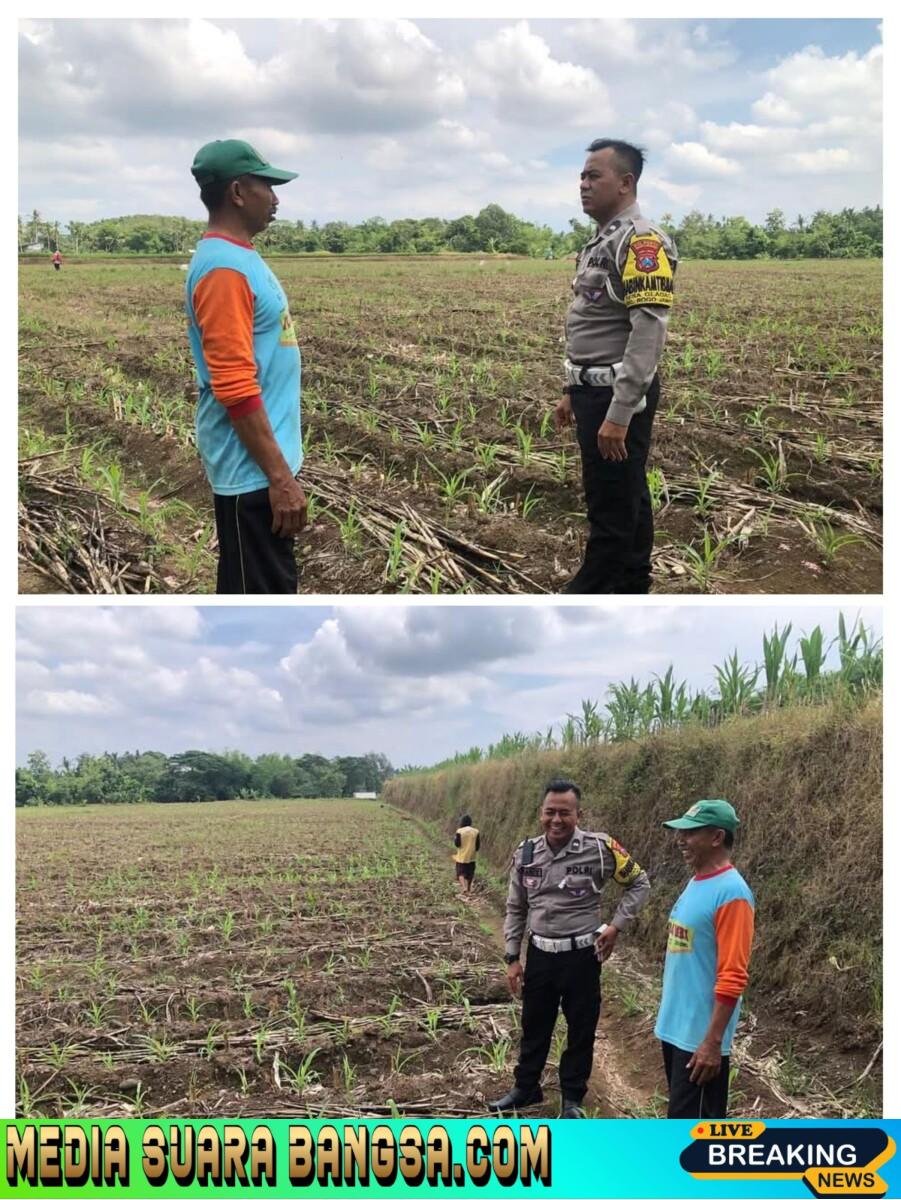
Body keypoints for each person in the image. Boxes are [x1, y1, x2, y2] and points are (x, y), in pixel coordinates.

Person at [555, 138, 678, 594]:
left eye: (594, 176)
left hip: (616, 394)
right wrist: (572, 388)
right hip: (593, 390)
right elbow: (593, 323)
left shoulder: (642, 241)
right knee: (627, 494)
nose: (583, 185)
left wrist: (619, 414)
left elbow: (648, 332)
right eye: (582, 177)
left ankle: (592, 591)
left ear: (626, 183)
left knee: (609, 505)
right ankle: (632, 583)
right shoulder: (601, 240)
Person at [186, 138, 307, 594]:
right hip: (251, 474)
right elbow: (235, 386)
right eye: (267, 186)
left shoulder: (237, 259)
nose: (276, 198)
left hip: (259, 469)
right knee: (258, 589)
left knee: (264, 583)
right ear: (238, 192)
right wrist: (279, 477)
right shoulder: (223, 271)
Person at [489, 779, 650, 1118]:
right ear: (540, 814)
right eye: (550, 812)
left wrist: (615, 926)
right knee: (534, 1026)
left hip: (582, 957)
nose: (557, 820)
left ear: (579, 814)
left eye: (565, 813)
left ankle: (572, 1098)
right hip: (541, 956)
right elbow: (516, 908)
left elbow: (639, 882)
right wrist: (511, 957)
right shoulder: (526, 853)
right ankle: (526, 1088)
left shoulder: (601, 849)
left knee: (581, 1029)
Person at [654, 799, 755, 1119]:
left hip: (700, 1041)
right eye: (680, 832)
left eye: (690, 833)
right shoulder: (697, 882)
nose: (680, 839)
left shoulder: (732, 893)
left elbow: (733, 975)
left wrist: (712, 1042)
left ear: (717, 838)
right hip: (675, 1031)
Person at [453, 815, 481, 898]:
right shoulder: (476, 831)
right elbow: (477, 846)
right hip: (472, 856)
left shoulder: (460, 831)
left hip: (462, 856)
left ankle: (464, 887)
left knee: (460, 873)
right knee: (470, 873)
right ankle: (469, 888)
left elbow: (457, 844)